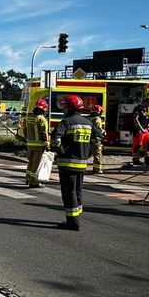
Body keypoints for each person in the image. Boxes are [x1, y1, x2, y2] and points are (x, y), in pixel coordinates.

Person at [51, 94, 93, 231]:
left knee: (69, 193)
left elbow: (55, 139)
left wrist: (60, 151)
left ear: (68, 107)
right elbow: (97, 139)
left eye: (64, 107)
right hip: (81, 163)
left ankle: (72, 222)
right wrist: (87, 154)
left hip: (67, 164)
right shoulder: (88, 123)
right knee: (78, 191)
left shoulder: (66, 122)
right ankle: (76, 217)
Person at [22, 99, 50, 188]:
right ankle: (34, 182)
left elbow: (24, 130)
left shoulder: (28, 118)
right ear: (44, 109)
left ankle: (28, 178)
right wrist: (47, 144)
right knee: (36, 164)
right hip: (39, 145)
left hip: (30, 144)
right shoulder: (42, 119)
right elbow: (43, 133)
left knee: (30, 162)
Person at [130, 99, 149, 166]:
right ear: (146, 102)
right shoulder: (138, 108)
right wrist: (141, 129)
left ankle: (148, 158)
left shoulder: (144, 109)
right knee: (137, 145)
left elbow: (144, 120)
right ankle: (135, 159)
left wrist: (147, 128)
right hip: (138, 130)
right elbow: (135, 119)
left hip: (145, 129)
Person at [89, 103, 105, 175]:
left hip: (90, 138)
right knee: (98, 154)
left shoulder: (89, 118)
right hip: (96, 138)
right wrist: (103, 132)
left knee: (89, 153)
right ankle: (97, 169)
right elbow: (98, 129)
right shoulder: (97, 119)